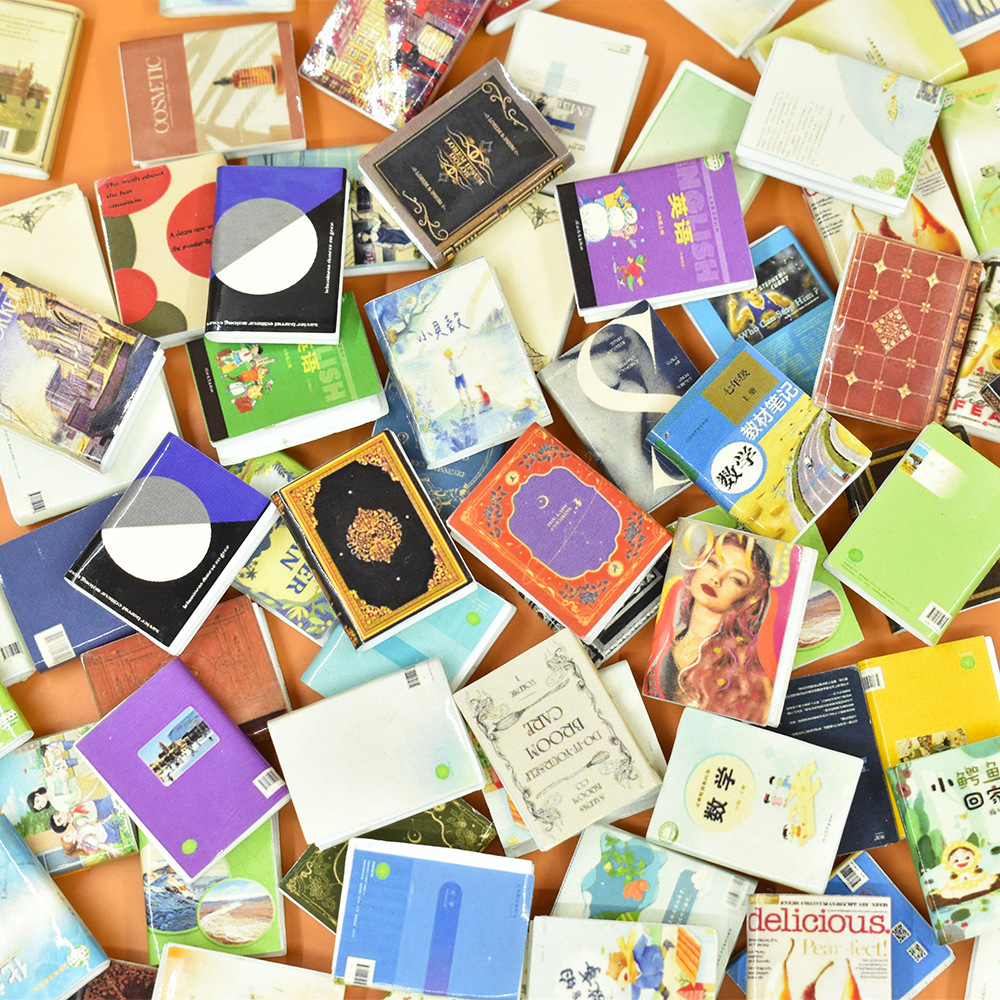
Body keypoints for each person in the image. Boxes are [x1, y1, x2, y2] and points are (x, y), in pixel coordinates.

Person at [644, 527, 773, 724]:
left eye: (736, 579)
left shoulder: (740, 669)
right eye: (713, 563)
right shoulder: (670, 636)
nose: (716, 579)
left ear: (748, 598)